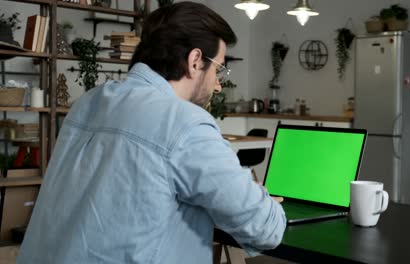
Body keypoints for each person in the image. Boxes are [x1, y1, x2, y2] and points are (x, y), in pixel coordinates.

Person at [17, 2, 286, 263]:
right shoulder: (186, 123)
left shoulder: (88, 102)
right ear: (195, 61)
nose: (218, 85)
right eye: (219, 68)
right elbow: (265, 228)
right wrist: (260, 199)